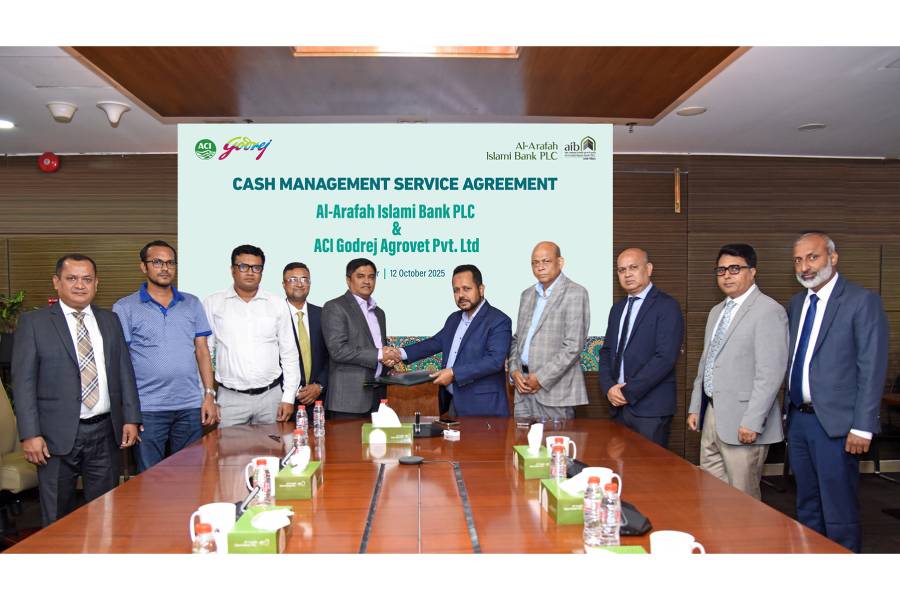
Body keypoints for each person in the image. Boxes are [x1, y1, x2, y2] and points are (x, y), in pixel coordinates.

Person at [12, 254, 141, 525]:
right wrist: (30, 434)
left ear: (96, 284)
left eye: (87, 279)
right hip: (54, 437)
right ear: (56, 282)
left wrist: (131, 417)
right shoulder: (34, 323)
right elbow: (23, 383)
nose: (80, 285)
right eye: (71, 278)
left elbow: (124, 371)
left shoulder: (110, 320)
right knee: (57, 517)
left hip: (105, 432)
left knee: (105, 514)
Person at [785, 231, 888, 552]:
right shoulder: (797, 303)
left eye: (812, 257)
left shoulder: (861, 301)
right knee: (807, 505)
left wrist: (863, 426)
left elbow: (872, 367)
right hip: (799, 421)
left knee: (839, 509)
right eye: (798, 260)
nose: (804, 267)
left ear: (833, 257)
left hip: (837, 425)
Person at [687, 244, 788, 499]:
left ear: (752, 271)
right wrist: (696, 406)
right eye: (721, 270)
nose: (727, 275)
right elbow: (707, 362)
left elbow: (770, 374)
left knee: (743, 500)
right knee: (711, 494)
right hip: (712, 414)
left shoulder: (768, 311)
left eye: (735, 269)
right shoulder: (717, 312)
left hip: (744, 421)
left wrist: (753, 421)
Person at [112, 241, 217, 472]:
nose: (165, 268)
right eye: (157, 262)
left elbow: (202, 350)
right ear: (143, 267)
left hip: (189, 405)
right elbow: (121, 362)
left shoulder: (192, 303)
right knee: (150, 477)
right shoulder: (125, 307)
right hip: (148, 409)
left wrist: (209, 395)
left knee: (190, 474)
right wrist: (129, 411)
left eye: (170, 263)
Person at [202, 245, 300, 427]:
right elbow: (204, 352)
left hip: (271, 398)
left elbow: (289, 353)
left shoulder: (277, 304)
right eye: (243, 266)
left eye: (256, 268)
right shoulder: (213, 303)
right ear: (232, 270)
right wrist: (208, 396)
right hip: (230, 399)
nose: (250, 272)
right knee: (229, 446)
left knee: (273, 445)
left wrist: (288, 398)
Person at [398, 265, 512, 416]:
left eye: (466, 289)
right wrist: (400, 353)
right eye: (456, 290)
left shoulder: (499, 320)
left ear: (481, 289)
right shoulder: (454, 319)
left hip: (484, 407)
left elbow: (494, 361)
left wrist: (453, 373)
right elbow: (435, 343)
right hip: (454, 403)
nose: (461, 295)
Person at [598, 248, 683, 448]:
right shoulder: (617, 309)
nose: (627, 274)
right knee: (619, 465)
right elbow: (607, 351)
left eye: (633, 267)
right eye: (621, 270)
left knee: (649, 467)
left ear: (649, 269)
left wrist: (628, 392)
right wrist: (609, 387)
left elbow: (665, 358)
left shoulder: (667, 306)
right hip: (618, 407)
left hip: (650, 410)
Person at [508, 241, 590, 420]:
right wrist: (514, 372)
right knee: (521, 439)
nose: (540, 267)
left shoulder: (575, 293)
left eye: (546, 261)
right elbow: (517, 339)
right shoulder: (526, 295)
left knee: (553, 439)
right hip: (522, 391)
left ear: (560, 262)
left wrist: (540, 378)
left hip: (555, 393)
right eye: (535, 263)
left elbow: (573, 346)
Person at [322, 258, 398, 418]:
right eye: (361, 276)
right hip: (348, 401)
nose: (367, 281)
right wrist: (380, 354)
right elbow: (338, 351)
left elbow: (377, 348)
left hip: (378, 397)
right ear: (348, 280)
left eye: (371, 277)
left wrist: (388, 363)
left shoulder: (379, 312)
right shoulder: (335, 307)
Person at [282, 261, 329, 423]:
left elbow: (333, 355)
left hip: (319, 400)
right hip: (282, 401)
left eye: (304, 279)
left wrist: (320, 385)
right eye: (293, 279)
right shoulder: (274, 314)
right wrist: (289, 392)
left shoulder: (323, 314)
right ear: (283, 284)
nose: (299, 284)